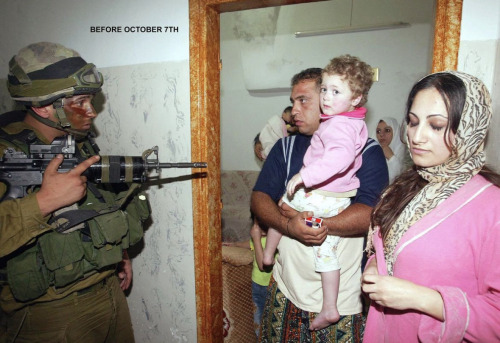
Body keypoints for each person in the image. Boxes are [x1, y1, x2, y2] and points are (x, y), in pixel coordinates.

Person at [0, 42, 150, 342]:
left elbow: (95, 208)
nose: (91, 111)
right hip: (50, 314)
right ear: (44, 105)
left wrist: (117, 254)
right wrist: (43, 202)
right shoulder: (6, 153)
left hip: (108, 294)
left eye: (91, 100)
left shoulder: (78, 143)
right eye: (80, 101)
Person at [361, 71, 500, 342]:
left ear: (470, 128)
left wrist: (423, 299)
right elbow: (391, 251)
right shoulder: (403, 188)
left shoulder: (491, 206)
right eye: (412, 122)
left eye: (436, 125)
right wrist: (374, 264)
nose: (417, 136)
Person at [251, 67, 388, 341]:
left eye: (303, 100)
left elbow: (369, 215)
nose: (294, 110)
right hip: (285, 291)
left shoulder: (366, 151)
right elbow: (259, 198)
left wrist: (313, 223)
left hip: (342, 301)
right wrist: (289, 226)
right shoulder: (285, 148)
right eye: (292, 102)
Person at [223, 219, 274, 338]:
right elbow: (248, 244)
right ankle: (259, 338)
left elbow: (263, 265)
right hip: (256, 285)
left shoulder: (274, 241)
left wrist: (256, 238)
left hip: (271, 287)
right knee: (258, 319)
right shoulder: (258, 239)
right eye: (256, 222)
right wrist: (234, 244)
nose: (257, 226)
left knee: (269, 320)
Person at [375, 117, 407, 183]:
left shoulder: (408, 154)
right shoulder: (373, 152)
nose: (381, 134)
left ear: (395, 132)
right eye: (378, 131)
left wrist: (391, 157)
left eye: (387, 130)